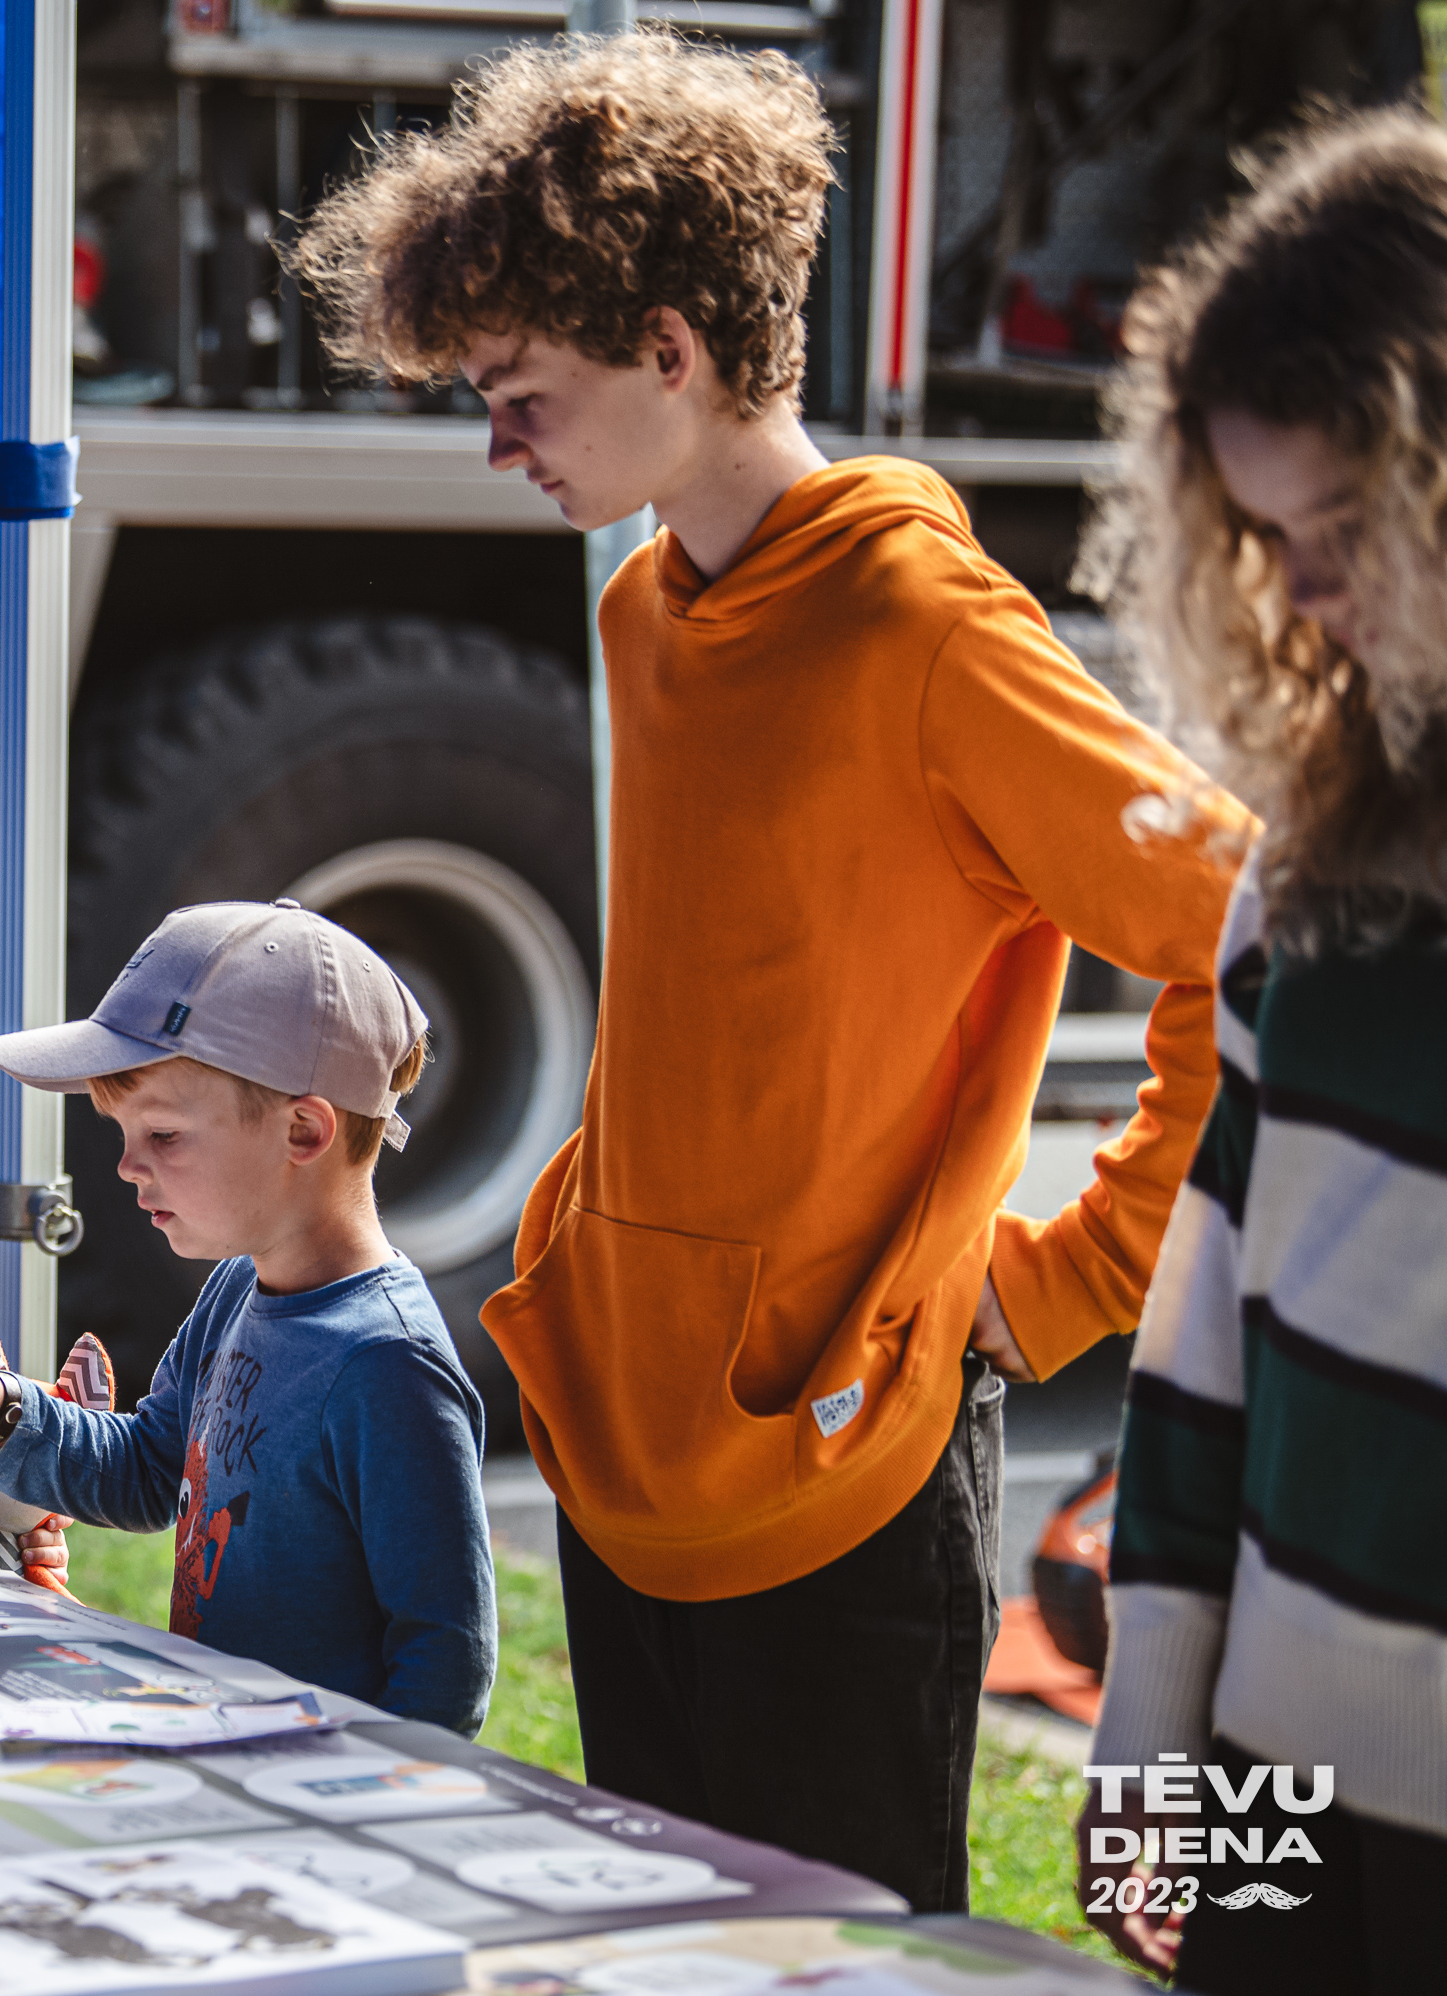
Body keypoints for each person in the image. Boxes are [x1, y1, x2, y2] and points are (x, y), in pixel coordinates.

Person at [290, 31, 1245, 1908]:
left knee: (845, 1962)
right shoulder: (651, 599)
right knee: (670, 1951)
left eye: (521, 394)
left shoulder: (923, 620)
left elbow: (1243, 936)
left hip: (848, 1465)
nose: (498, 446)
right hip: (632, 1443)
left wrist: (1068, 1283)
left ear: (670, 345)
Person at [1070, 112, 1447, 1991]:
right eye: (1269, 539)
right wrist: (1150, 1740)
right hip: (1269, 1772)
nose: (1301, 598)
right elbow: (1204, 1318)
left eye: (1352, 532)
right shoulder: (1306, 851)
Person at [0, 900, 497, 1736]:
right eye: (123, 1132)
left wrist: (371, 1807)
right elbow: (151, 1474)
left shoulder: (388, 1367)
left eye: (163, 1134)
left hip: (316, 1804)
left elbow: (447, 1660)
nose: (125, 1166)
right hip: (227, 1760)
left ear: (304, 1129)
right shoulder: (236, 1288)